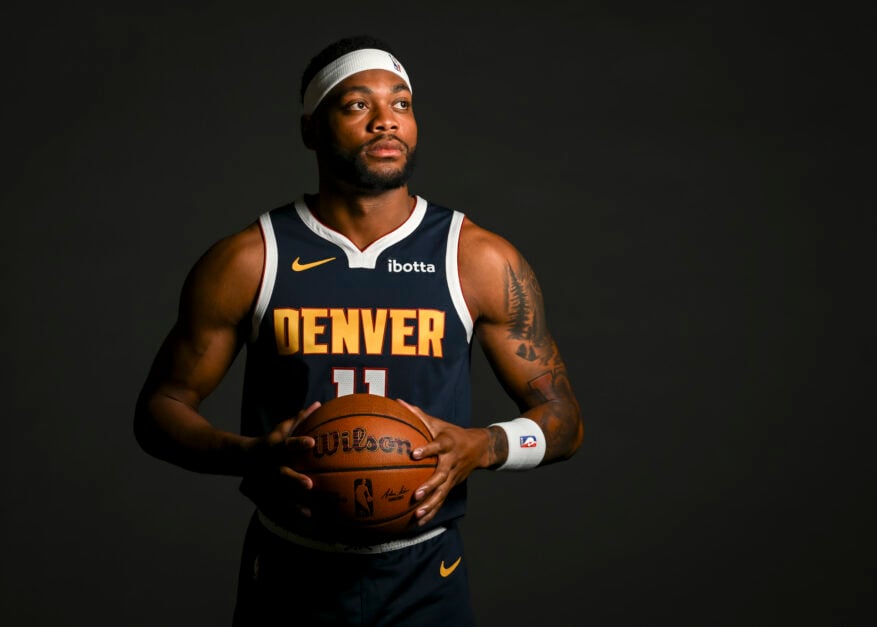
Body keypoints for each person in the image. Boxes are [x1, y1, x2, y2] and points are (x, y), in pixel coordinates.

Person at [134, 34, 583, 626]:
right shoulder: (251, 260)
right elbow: (160, 410)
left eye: (401, 103)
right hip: (290, 571)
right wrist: (249, 455)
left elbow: (564, 420)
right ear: (310, 129)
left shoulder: (476, 258)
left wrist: (485, 445)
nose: (384, 122)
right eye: (356, 105)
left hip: (426, 574)